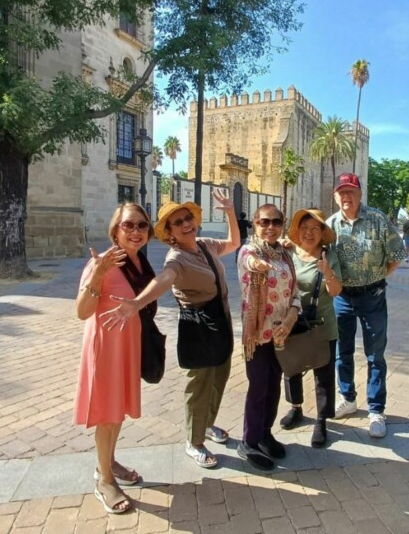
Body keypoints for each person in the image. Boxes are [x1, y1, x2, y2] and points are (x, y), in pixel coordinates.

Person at [104, 190, 239, 469]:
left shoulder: (205, 244)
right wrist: (138, 302)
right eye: (178, 222)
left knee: (219, 378)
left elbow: (234, 243)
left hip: (221, 322)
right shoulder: (175, 258)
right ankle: (193, 440)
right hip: (199, 328)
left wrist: (229, 212)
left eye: (188, 218)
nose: (186, 223)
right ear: (170, 232)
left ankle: (207, 424)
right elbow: (165, 279)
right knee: (199, 384)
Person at [74, 203, 152, 514]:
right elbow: (81, 312)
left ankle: (109, 461)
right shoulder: (102, 262)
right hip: (106, 348)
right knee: (107, 414)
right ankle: (104, 481)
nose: (136, 231)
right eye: (128, 225)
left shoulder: (138, 262)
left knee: (117, 410)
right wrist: (99, 273)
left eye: (142, 226)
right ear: (115, 231)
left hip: (128, 347)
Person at [326, 174, 406, 438]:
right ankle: (347, 398)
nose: (346, 197)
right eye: (341, 193)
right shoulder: (330, 226)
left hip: (373, 297)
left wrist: (379, 277)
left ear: (360, 194)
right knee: (342, 351)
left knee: (375, 355)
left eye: (351, 192)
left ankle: (376, 409)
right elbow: (310, 249)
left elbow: (396, 254)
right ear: (336, 196)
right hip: (342, 298)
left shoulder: (378, 219)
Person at [236, 205, 302, 470]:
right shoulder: (249, 251)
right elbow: (250, 263)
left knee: (274, 386)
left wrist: (290, 319)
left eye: (276, 222)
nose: (270, 227)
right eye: (264, 222)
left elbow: (295, 292)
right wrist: (258, 265)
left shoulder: (285, 255)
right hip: (258, 335)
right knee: (258, 387)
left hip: (281, 333)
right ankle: (249, 441)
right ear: (255, 223)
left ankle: (265, 433)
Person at [278, 209, 343, 448]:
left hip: (322, 324)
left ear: (322, 233)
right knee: (291, 367)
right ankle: (296, 408)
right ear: (297, 231)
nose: (309, 233)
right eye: (304, 228)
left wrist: (328, 273)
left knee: (323, 374)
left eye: (315, 228)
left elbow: (336, 292)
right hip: (290, 322)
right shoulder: (287, 253)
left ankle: (321, 420)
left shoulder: (330, 256)